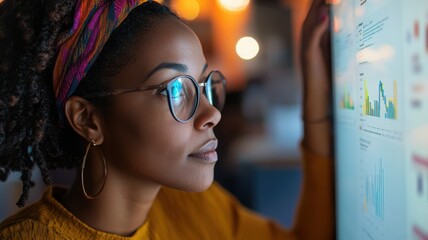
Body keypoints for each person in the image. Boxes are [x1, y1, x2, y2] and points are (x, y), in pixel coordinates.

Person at [0, 0, 333, 239]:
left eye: (205, 84)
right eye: (175, 90)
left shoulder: (196, 206)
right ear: (88, 120)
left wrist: (315, 85)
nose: (212, 113)